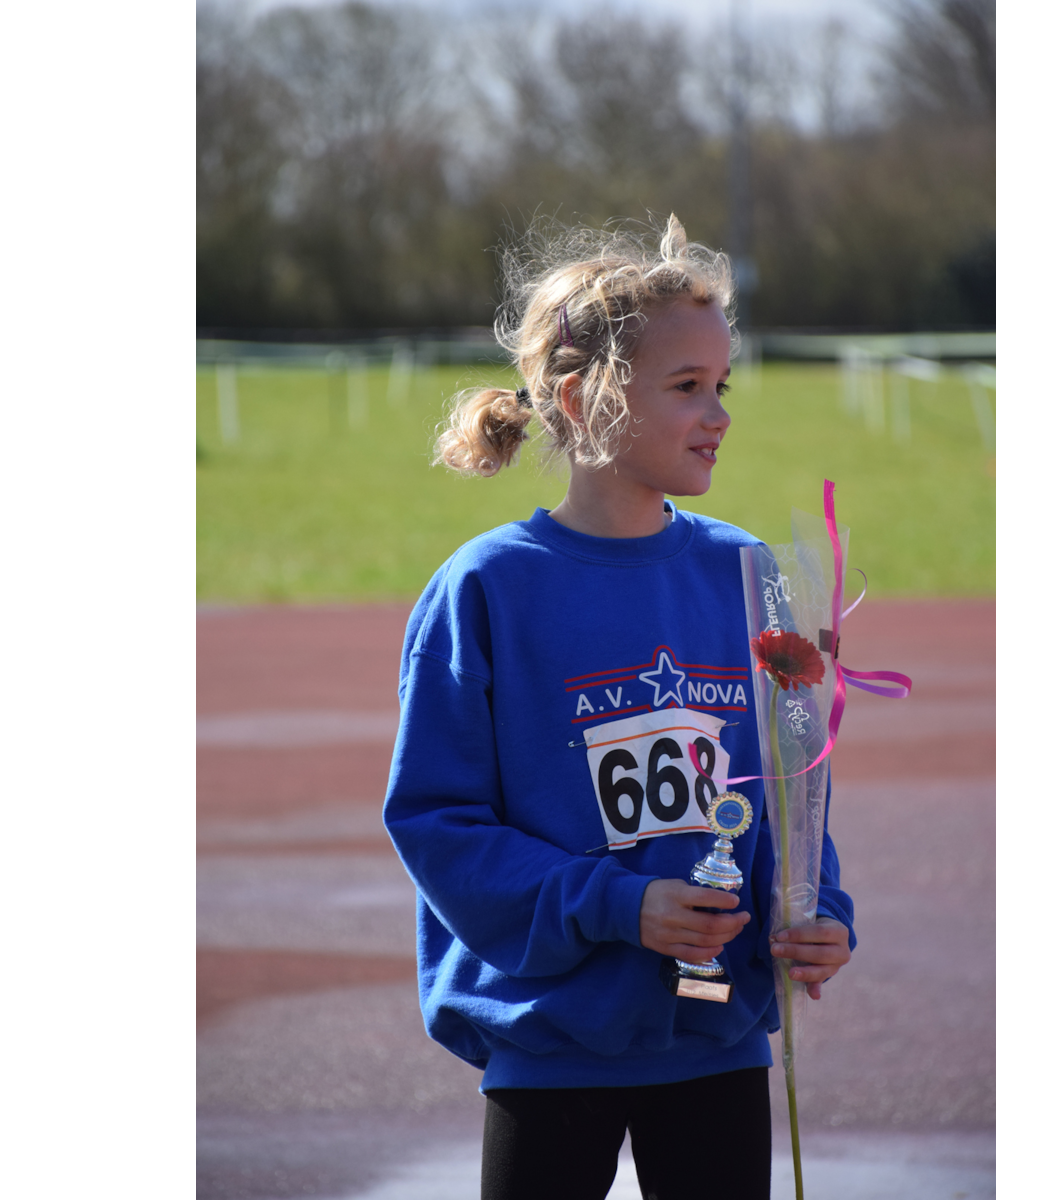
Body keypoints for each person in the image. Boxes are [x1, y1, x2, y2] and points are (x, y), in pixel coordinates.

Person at [383, 215, 854, 1200]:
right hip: (552, 1043)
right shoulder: (487, 589)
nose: (718, 414)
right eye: (686, 387)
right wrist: (619, 905)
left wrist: (818, 909)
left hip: (717, 1041)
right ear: (581, 400)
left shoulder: (748, 573)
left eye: (722, 386)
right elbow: (438, 823)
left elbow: (789, 785)